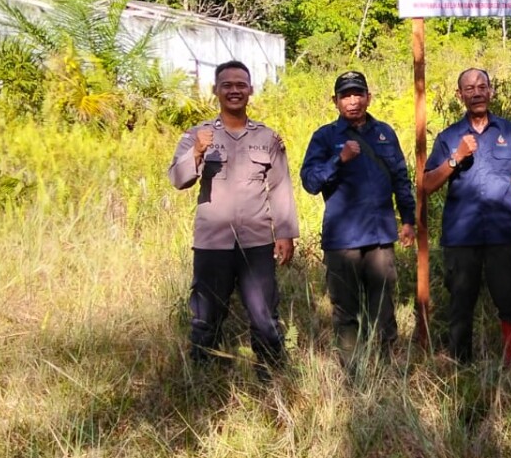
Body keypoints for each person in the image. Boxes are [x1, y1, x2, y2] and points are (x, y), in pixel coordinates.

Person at [168, 60, 298, 373]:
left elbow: (280, 187)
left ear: (251, 90)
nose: (234, 90)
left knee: (265, 318)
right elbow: (178, 179)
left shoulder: (267, 138)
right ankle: (202, 385)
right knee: (205, 318)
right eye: (227, 85)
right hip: (213, 244)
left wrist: (285, 233)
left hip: (256, 244)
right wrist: (197, 152)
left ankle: (271, 382)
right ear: (216, 91)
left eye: (241, 84)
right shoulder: (197, 135)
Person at [423, 68, 511, 369]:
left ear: (491, 91)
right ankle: (462, 369)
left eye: (482, 86)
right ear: (459, 95)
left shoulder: (508, 131)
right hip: (461, 237)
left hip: (502, 234)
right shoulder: (449, 137)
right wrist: (456, 157)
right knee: (461, 305)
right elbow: (426, 184)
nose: (476, 92)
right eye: (469, 88)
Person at [300, 70, 415, 361]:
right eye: (345, 95)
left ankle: (386, 370)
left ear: (368, 97)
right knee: (346, 311)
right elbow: (310, 183)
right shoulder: (325, 137)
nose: (353, 101)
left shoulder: (384, 133)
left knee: (384, 310)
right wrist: (338, 160)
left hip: (380, 237)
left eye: (358, 94)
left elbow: (401, 178)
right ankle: (353, 372)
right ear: (335, 101)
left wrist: (409, 220)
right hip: (343, 241)